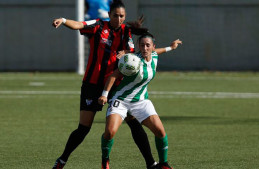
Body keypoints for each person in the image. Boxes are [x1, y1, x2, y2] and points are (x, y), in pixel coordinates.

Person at [51, 1, 179, 168]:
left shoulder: (127, 31)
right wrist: (63, 19)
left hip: (114, 86)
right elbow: (78, 25)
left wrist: (127, 52)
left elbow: (136, 52)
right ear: (109, 15)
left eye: (122, 16)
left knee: (134, 123)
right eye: (115, 15)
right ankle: (62, 160)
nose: (119, 19)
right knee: (83, 128)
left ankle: (151, 163)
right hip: (92, 84)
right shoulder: (98, 25)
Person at [98, 33, 182, 169]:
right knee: (110, 132)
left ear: (152, 47)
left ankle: (163, 164)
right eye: (142, 45)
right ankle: (105, 161)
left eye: (148, 45)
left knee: (160, 131)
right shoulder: (132, 60)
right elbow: (114, 76)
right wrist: (104, 95)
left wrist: (171, 47)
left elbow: (157, 52)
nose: (145, 48)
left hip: (141, 101)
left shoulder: (154, 56)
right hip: (121, 99)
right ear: (138, 46)